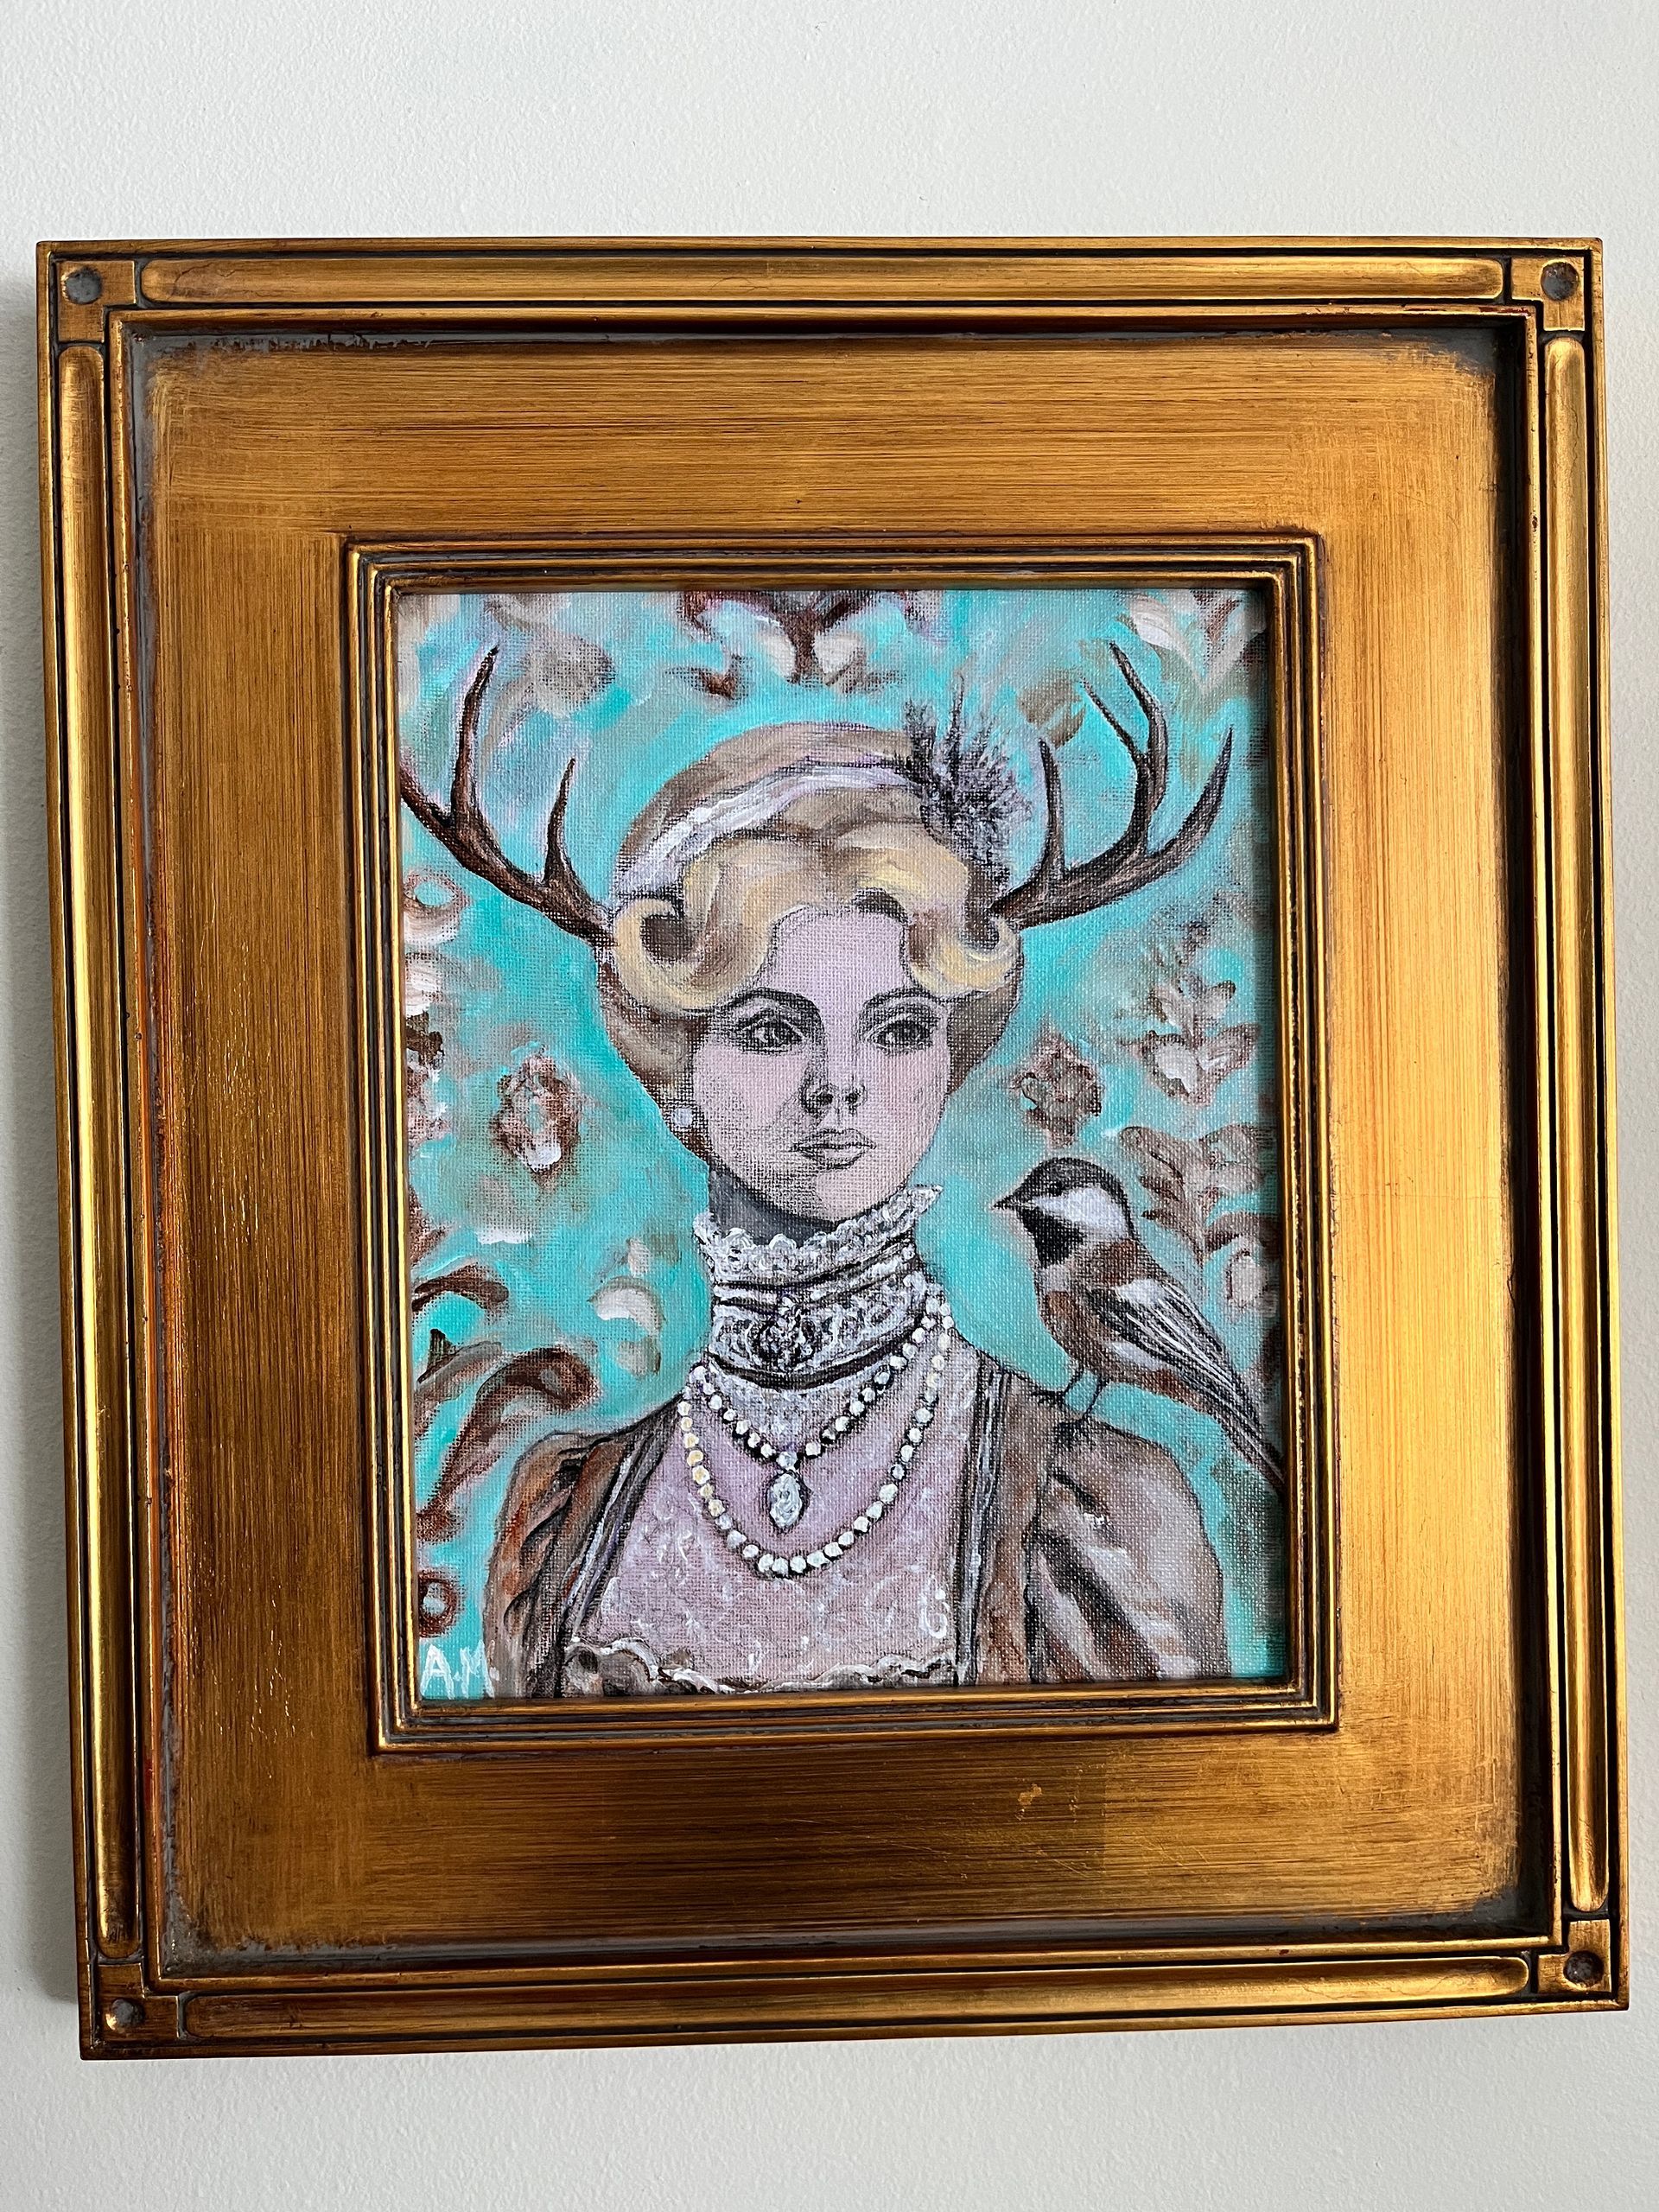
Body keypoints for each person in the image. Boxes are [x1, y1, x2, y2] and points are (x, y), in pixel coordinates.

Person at [403, 656, 1233, 1695]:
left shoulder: (1097, 1506)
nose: (838, 1086)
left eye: (899, 1028)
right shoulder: (569, 1515)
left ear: (949, 1064)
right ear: (677, 1079)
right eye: (771, 1030)